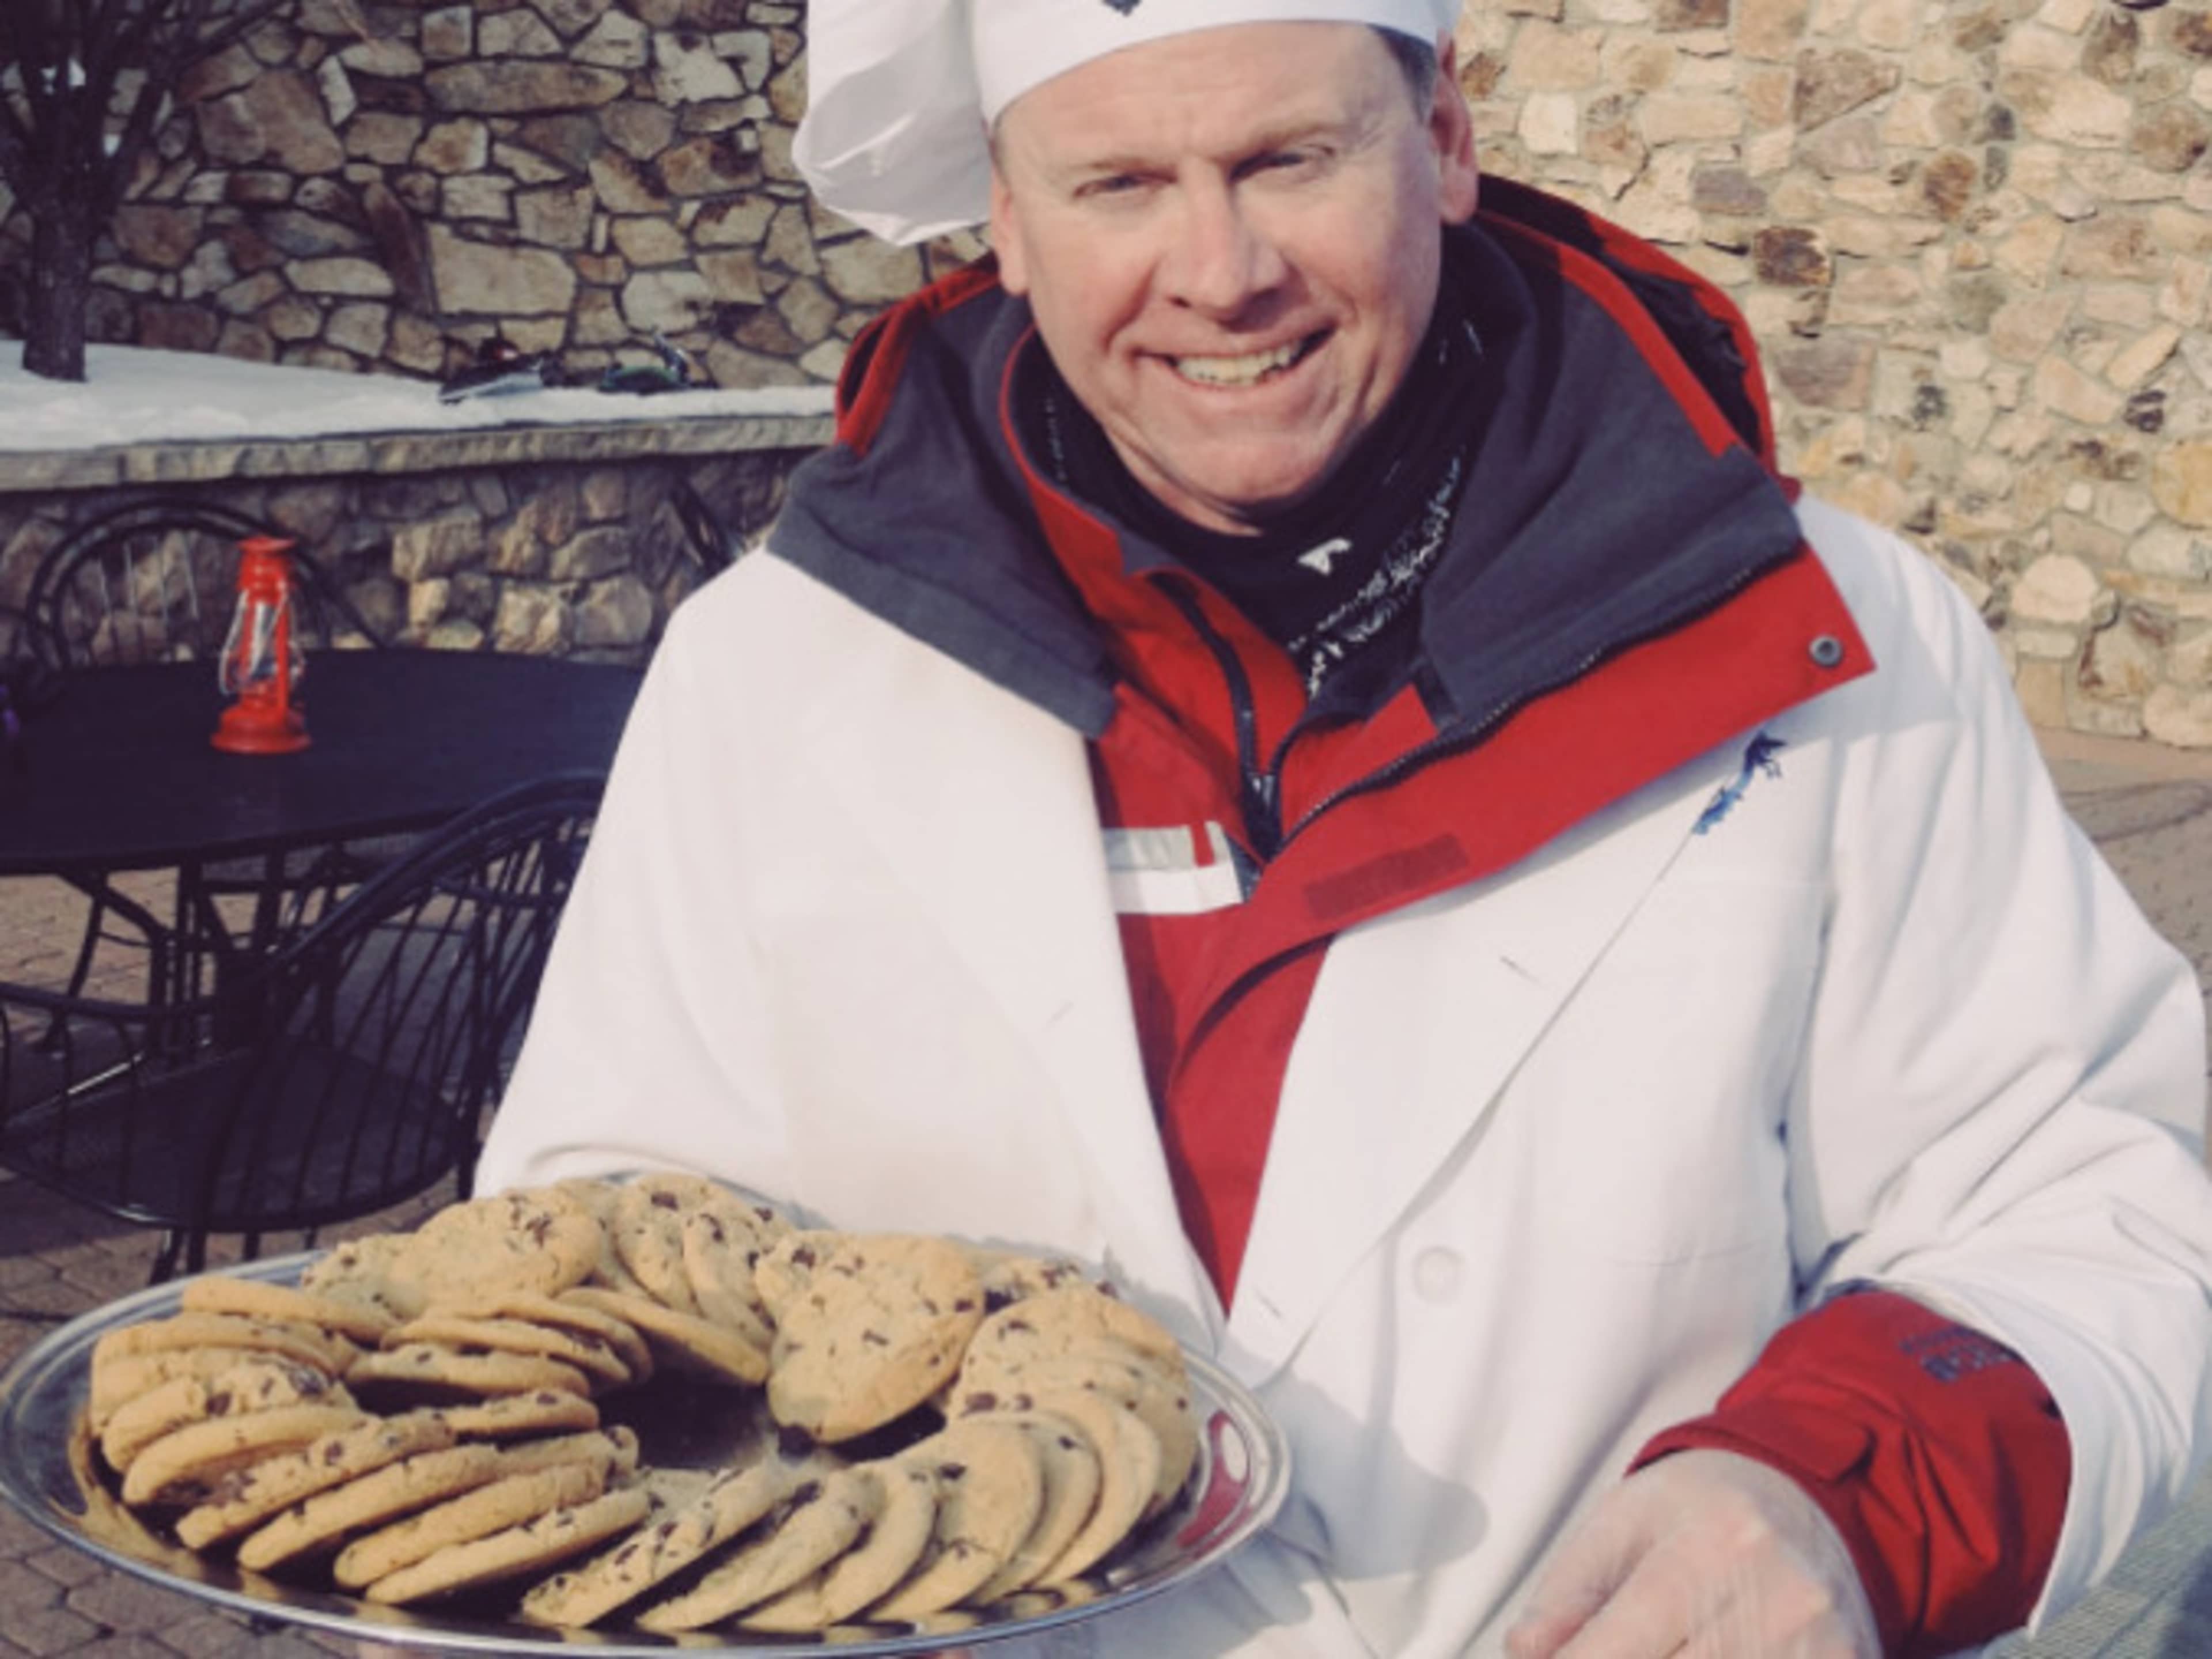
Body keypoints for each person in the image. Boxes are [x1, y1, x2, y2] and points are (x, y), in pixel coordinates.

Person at [475, 2, 2212, 1653]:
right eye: (1121, 187)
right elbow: (600, 1238)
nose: (1220, 278)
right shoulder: (778, 669)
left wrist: (1836, 1501)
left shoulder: (1836, 643)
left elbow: (2095, 1193)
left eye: (1290, 159)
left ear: (1446, 136)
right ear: (1003, 220)